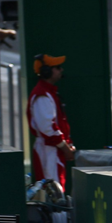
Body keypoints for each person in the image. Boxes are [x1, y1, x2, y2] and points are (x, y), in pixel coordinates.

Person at [27, 54, 76, 191]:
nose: (61, 70)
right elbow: (48, 128)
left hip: (52, 149)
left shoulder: (48, 92)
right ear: (46, 72)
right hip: (48, 151)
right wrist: (66, 149)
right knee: (53, 191)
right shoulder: (42, 94)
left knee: (56, 189)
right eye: (57, 67)